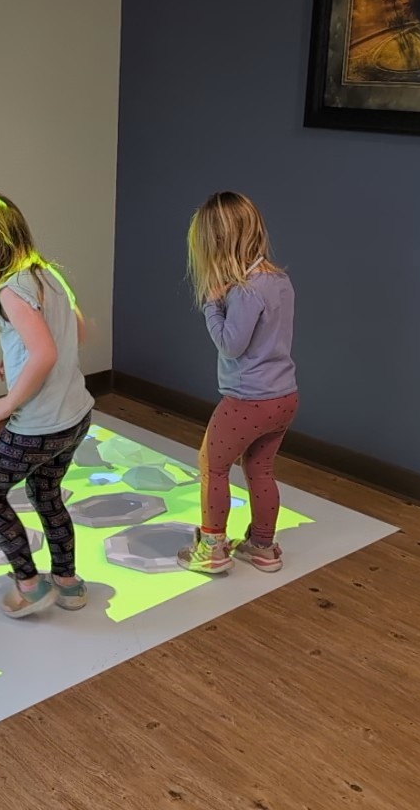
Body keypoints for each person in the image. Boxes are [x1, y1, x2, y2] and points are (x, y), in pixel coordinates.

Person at [0, 190, 94, 617]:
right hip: (76, 417)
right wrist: (12, 359)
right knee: (46, 491)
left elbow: (45, 353)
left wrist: (9, 400)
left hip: (38, 426)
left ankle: (30, 585)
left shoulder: (10, 290)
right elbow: (76, 333)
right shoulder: (47, 274)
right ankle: (67, 583)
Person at [178, 191, 298, 575]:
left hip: (249, 400)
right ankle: (263, 546)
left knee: (212, 466)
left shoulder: (246, 290)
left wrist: (212, 304)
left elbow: (231, 345)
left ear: (218, 243)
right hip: (284, 396)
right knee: (260, 470)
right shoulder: (278, 280)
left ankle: (212, 548)